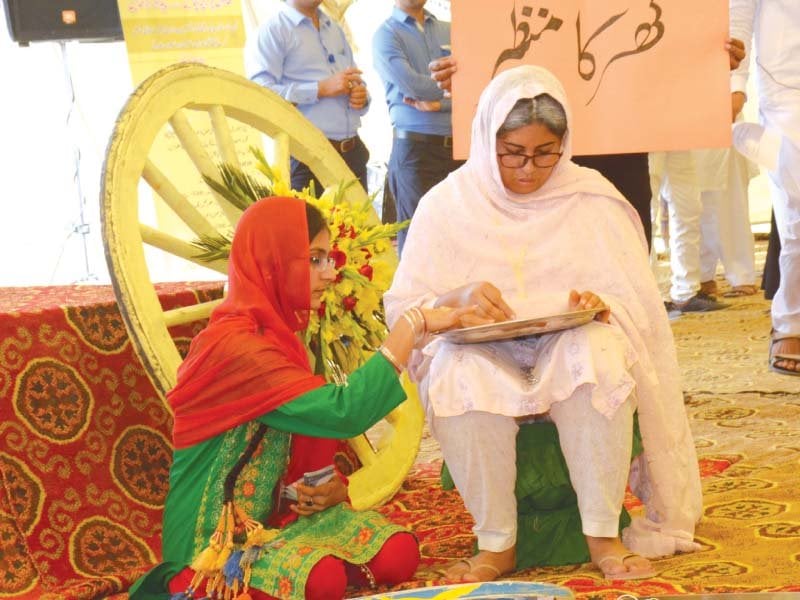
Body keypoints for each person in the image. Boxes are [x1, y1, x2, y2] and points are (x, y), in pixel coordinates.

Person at [385, 66, 703, 582]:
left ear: (565, 144)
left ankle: (602, 536)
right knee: (455, 372)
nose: (528, 170)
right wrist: (455, 299)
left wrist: (599, 304)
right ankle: (496, 544)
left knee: (599, 352)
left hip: (566, 345)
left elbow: (635, 303)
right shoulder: (448, 204)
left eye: (544, 153)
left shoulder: (590, 197)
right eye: (512, 153)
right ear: (488, 139)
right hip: (481, 351)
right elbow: (404, 310)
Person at [128, 197, 473, 600]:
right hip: (211, 545)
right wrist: (412, 325)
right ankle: (184, 588)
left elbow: (304, 454)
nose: (329, 273)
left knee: (397, 553)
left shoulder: (281, 338)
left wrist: (328, 490)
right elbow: (342, 414)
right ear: (273, 262)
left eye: (327, 258)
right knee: (322, 580)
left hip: (272, 523)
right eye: (314, 260)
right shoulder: (236, 348)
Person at [730, 0, 800, 375]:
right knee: (796, 206)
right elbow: (739, 10)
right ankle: (791, 322)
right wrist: (734, 85)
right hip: (787, 88)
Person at [246, 0, 370, 194]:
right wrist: (319, 89)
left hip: (353, 154)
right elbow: (260, 94)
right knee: (309, 225)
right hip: (308, 160)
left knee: (360, 226)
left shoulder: (334, 28)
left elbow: (354, 78)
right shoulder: (273, 31)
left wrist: (361, 95)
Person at [372, 0, 464, 254]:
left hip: (461, 150)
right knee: (419, 241)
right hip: (416, 153)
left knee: (463, 237)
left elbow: (475, 81)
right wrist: (456, 92)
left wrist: (440, 101)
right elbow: (414, 86)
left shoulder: (451, 29)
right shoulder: (386, 35)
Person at [697, 146, 758, 298]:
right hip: (679, 136)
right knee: (689, 209)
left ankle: (741, 275)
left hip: (718, 135)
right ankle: (700, 277)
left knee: (729, 205)